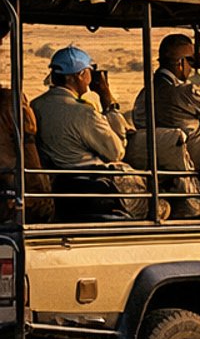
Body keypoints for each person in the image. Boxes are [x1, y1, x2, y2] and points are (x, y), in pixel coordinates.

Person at [130, 33, 200, 219]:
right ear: (180, 63)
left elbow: (139, 123)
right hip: (183, 151)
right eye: (191, 61)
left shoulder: (144, 94)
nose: (192, 68)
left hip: (153, 156)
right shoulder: (184, 91)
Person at [31, 44, 148, 217]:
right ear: (80, 75)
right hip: (92, 182)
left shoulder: (36, 105)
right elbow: (116, 152)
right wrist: (107, 100)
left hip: (58, 183)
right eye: (90, 71)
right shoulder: (83, 112)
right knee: (160, 205)